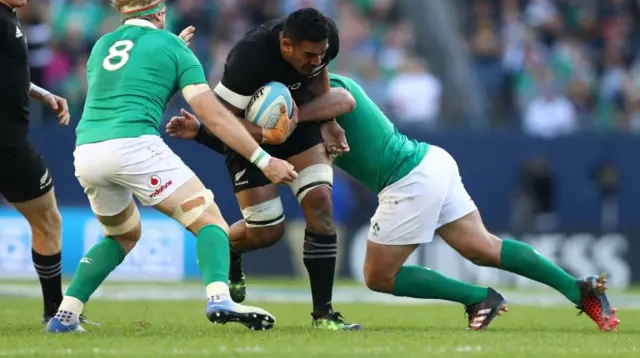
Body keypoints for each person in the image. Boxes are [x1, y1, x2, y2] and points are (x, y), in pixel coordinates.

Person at [167, 73, 620, 332]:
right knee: (482, 246)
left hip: (408, 180)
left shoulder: (322, 99)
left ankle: (476, 298)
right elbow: (261, 148)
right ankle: (577, 288)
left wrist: (274, 122)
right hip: (430, 161)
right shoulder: (312, 107)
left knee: (377, 276)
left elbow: (328, 105)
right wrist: (205, 133)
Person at [45, 0, 297, 333]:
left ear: (125, 14)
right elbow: (212, 114)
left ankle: (65, 314)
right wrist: (264, 158)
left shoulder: (102, 45)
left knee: (121, 235)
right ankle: (218, 298)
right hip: (134, 145)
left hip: (86, 151)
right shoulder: (173, 48)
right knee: (210, 220)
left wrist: (170, 54)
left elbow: (133, 84)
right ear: (160, 13)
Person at [181, 8, 360, 331]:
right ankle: (229, 247)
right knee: (267, 231)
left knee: (320, 204)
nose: (315, 60)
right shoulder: (248, 58)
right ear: (286, 45)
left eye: (321, 54)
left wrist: (328, 121)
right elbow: (222, 122)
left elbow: (321, 74)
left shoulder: (324, 40)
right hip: (247, 135)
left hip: (297, 120)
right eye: (308, 54)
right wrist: (265, 135)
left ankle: (324, 314)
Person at [0, 0, 74, 324]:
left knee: (47, 220)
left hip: (10, 141)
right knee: (48, 221)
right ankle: (55, 315)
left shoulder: (9, 18)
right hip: (7, 144)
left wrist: (41, 91)